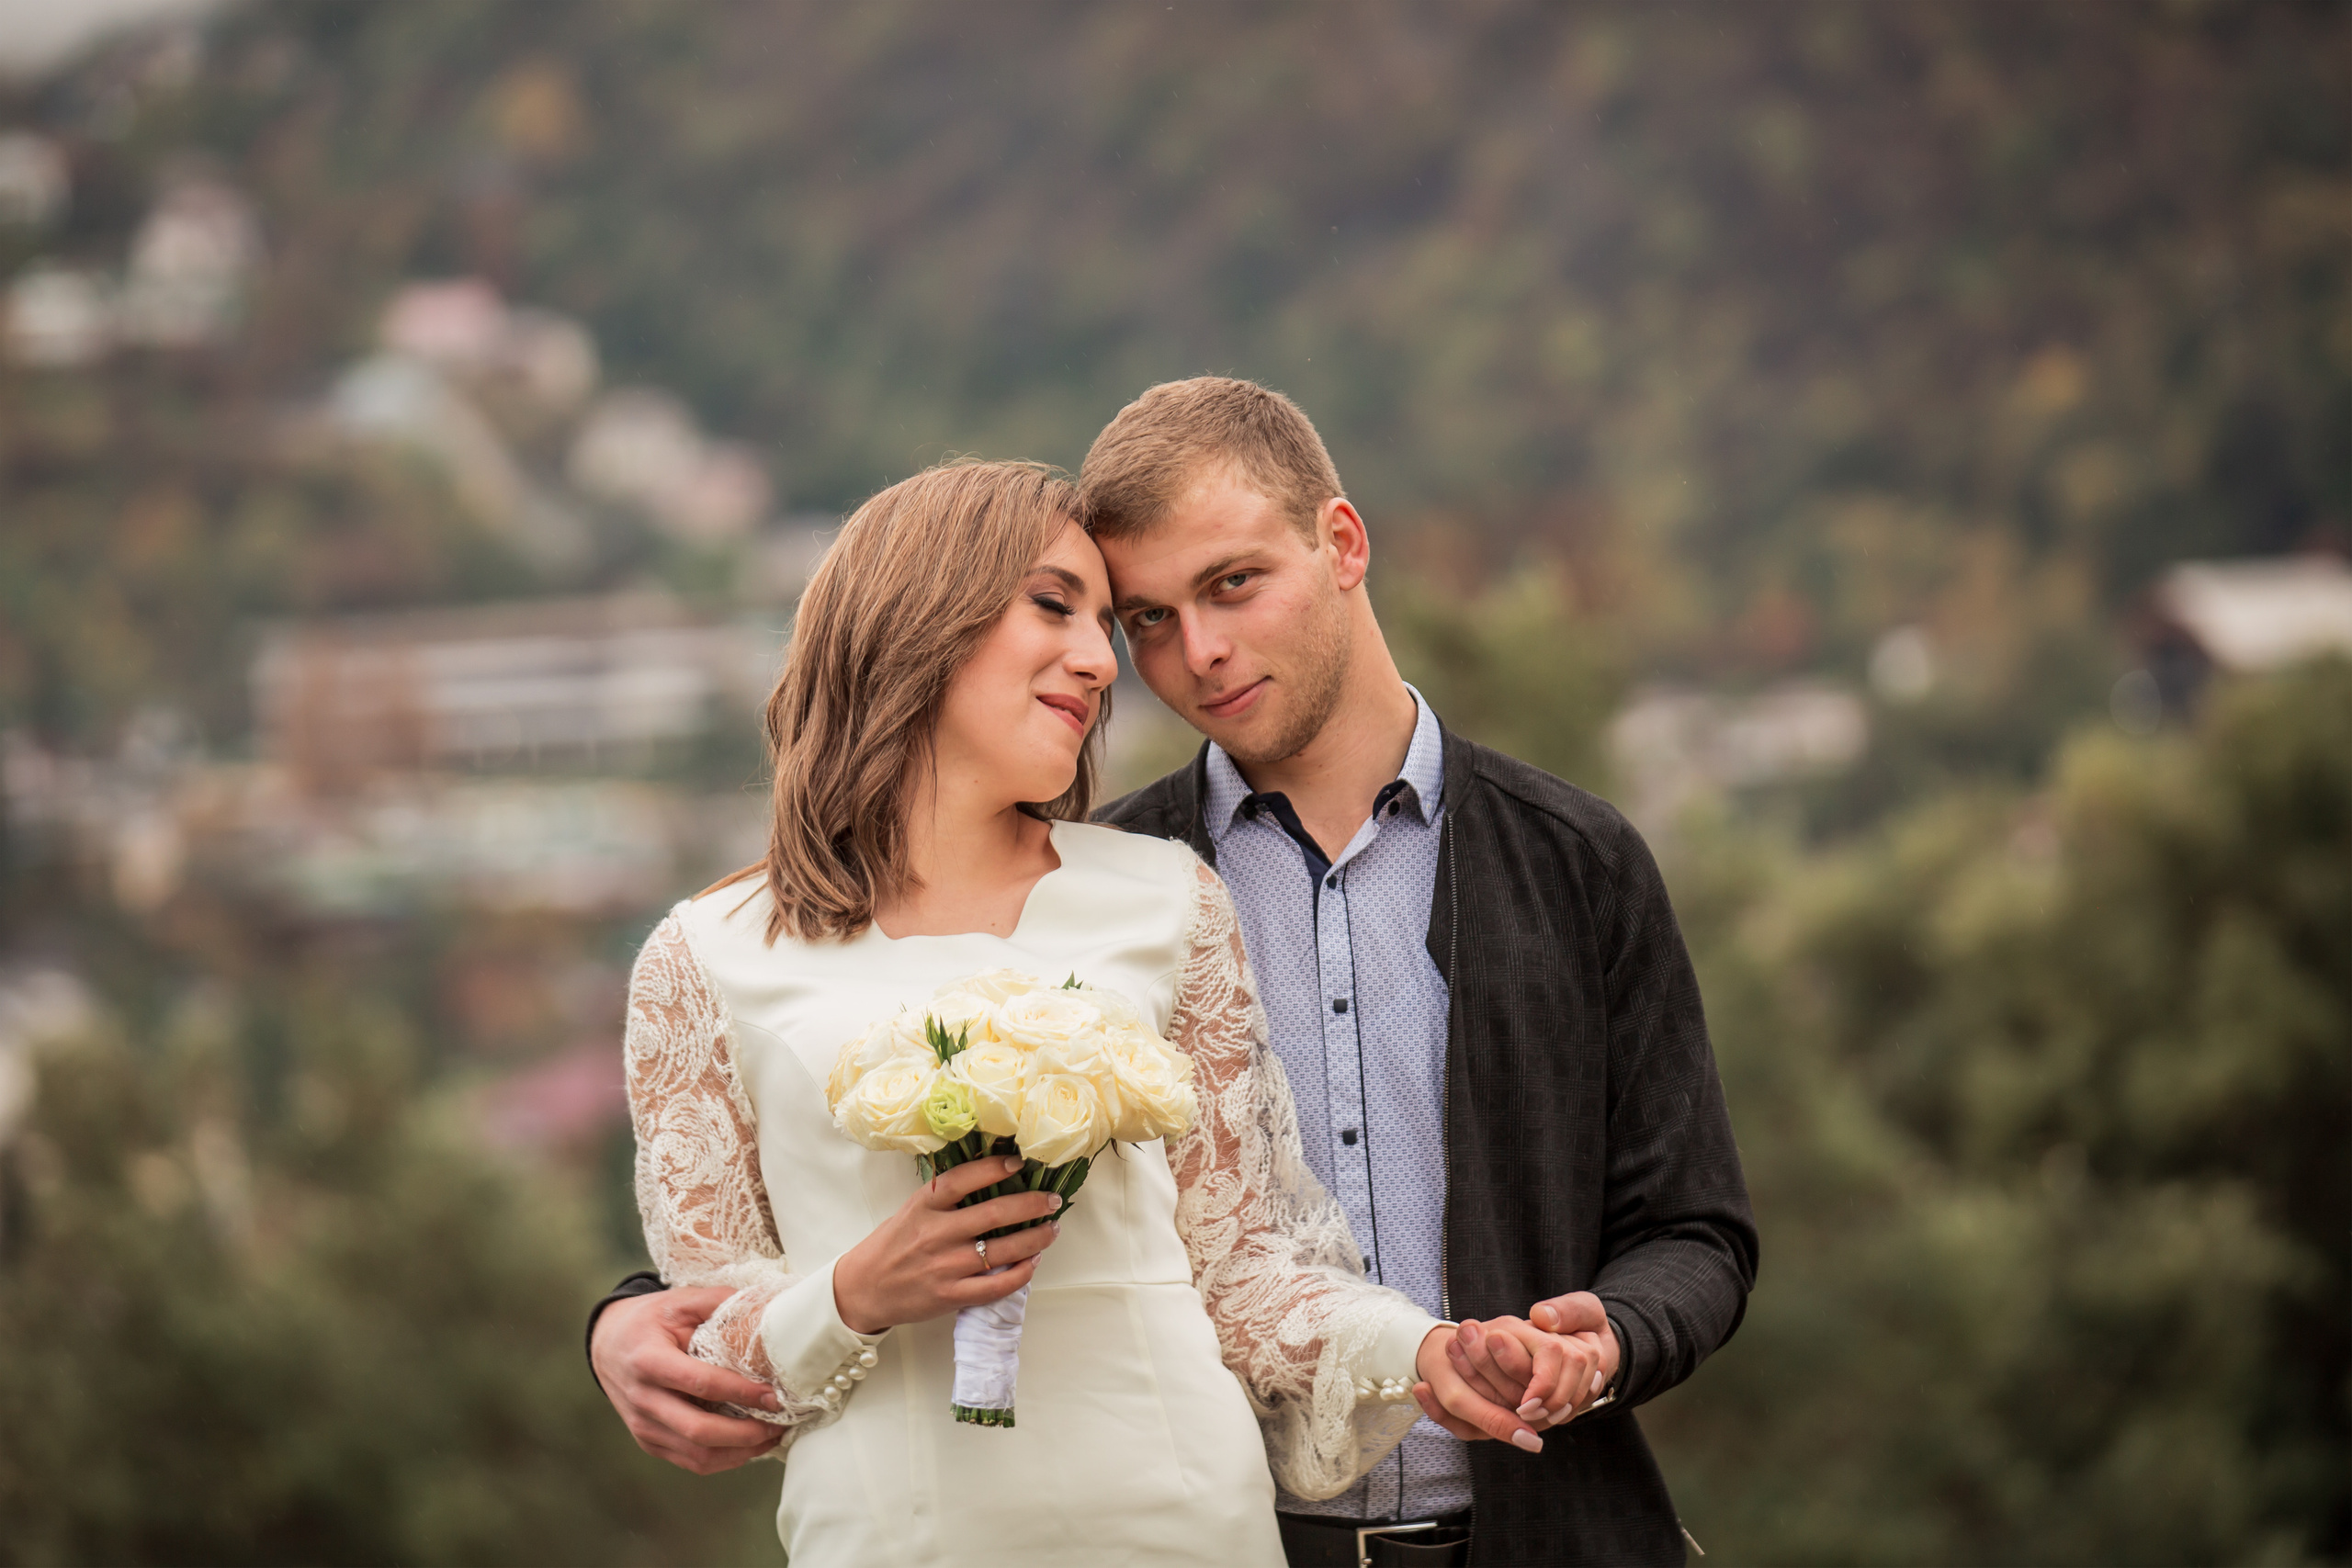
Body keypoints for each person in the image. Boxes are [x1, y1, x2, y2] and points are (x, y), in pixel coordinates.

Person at [596, 382, 1758, 1566]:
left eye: (1232, 585)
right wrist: (642, 1317)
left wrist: (1544, 1345)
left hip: (1514, 1534)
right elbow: (741, 1251)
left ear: (1343, 544)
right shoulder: (1137, 874)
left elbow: (1690, 1230)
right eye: (1141, 617)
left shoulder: (1558, 861)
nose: (1178, 654)